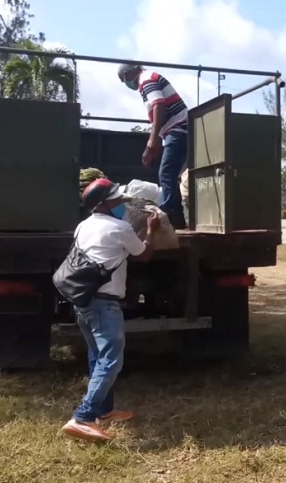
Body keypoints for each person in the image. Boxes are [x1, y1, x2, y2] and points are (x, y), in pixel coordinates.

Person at [62, 178, 160, 442]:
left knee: (97, 355)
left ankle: (105, 410)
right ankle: (82, 417)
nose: (120, 203)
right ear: (104, 203)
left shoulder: (82, 226)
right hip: (105, 303)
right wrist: (151, 229)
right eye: (116, 199)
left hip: (83, 301)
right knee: (111, 360)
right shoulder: (120, 227)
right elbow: (143, 255)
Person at [117, 63, 188, 229]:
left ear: (130, 72)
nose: (127, 84)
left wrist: (153, 139)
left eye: (124, 79)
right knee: (171, 174)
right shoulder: (147, 80)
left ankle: (170, 216)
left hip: (178, 128)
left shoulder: (146, 79)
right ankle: (177, 219)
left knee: (166, 173)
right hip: (176, 129)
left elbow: (159, 104)